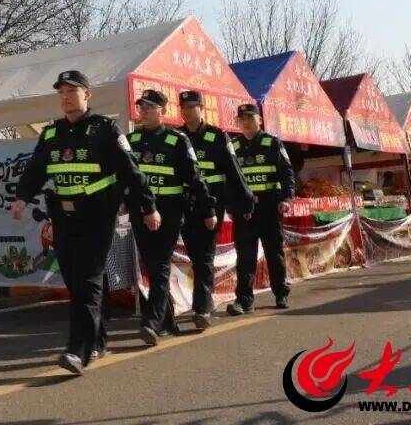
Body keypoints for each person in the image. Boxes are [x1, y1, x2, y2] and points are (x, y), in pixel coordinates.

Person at [11, 70, 156, 375]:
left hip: (97, 214)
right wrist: (22, 198)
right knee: (76, 282)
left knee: (89, 279)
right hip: (63, 216)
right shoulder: (51, 133)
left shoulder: (105, 129)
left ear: (87, 94)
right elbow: (36, 170)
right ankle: (97, 340)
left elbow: (131, 171)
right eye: (61, 92)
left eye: (71, 91)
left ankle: (78, 350)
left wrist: (148, 207)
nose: (65, 97)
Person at [127, 88, 213, 345]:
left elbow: (195, 178)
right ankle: (167, 320)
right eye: (141, 107)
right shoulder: (131, 140)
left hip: (170, 212)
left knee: (161, 265)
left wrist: (208, 209)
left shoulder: (177, 141)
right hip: (140, 213)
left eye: (149, 107)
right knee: (152, 266)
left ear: (163, 111)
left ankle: (152, 321)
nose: (143, 111)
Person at [178, 90, 254, 330]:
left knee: (205, 255)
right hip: (184, 204)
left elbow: (233, 169)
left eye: (192, 106)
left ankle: (202, 308)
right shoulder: (178, 136)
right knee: (194, 255)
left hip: (211, 204)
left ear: (202, 108)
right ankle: (201, 302)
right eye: (184, 107)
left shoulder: (217, 136)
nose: (188, 111)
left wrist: (245, 199)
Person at [227, 104, 296, 314]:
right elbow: (229, 180)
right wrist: (232, 206)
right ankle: (244, 300)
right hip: (245, 210)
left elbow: (287, 172)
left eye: (250, 117)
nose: (246, 122)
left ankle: (281, 293)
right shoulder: (233, 146)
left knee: (274, 253)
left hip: (269, 207)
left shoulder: (272, 143)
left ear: (260, 120)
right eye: (242, 118)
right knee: (245, 256)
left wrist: (286, 198)